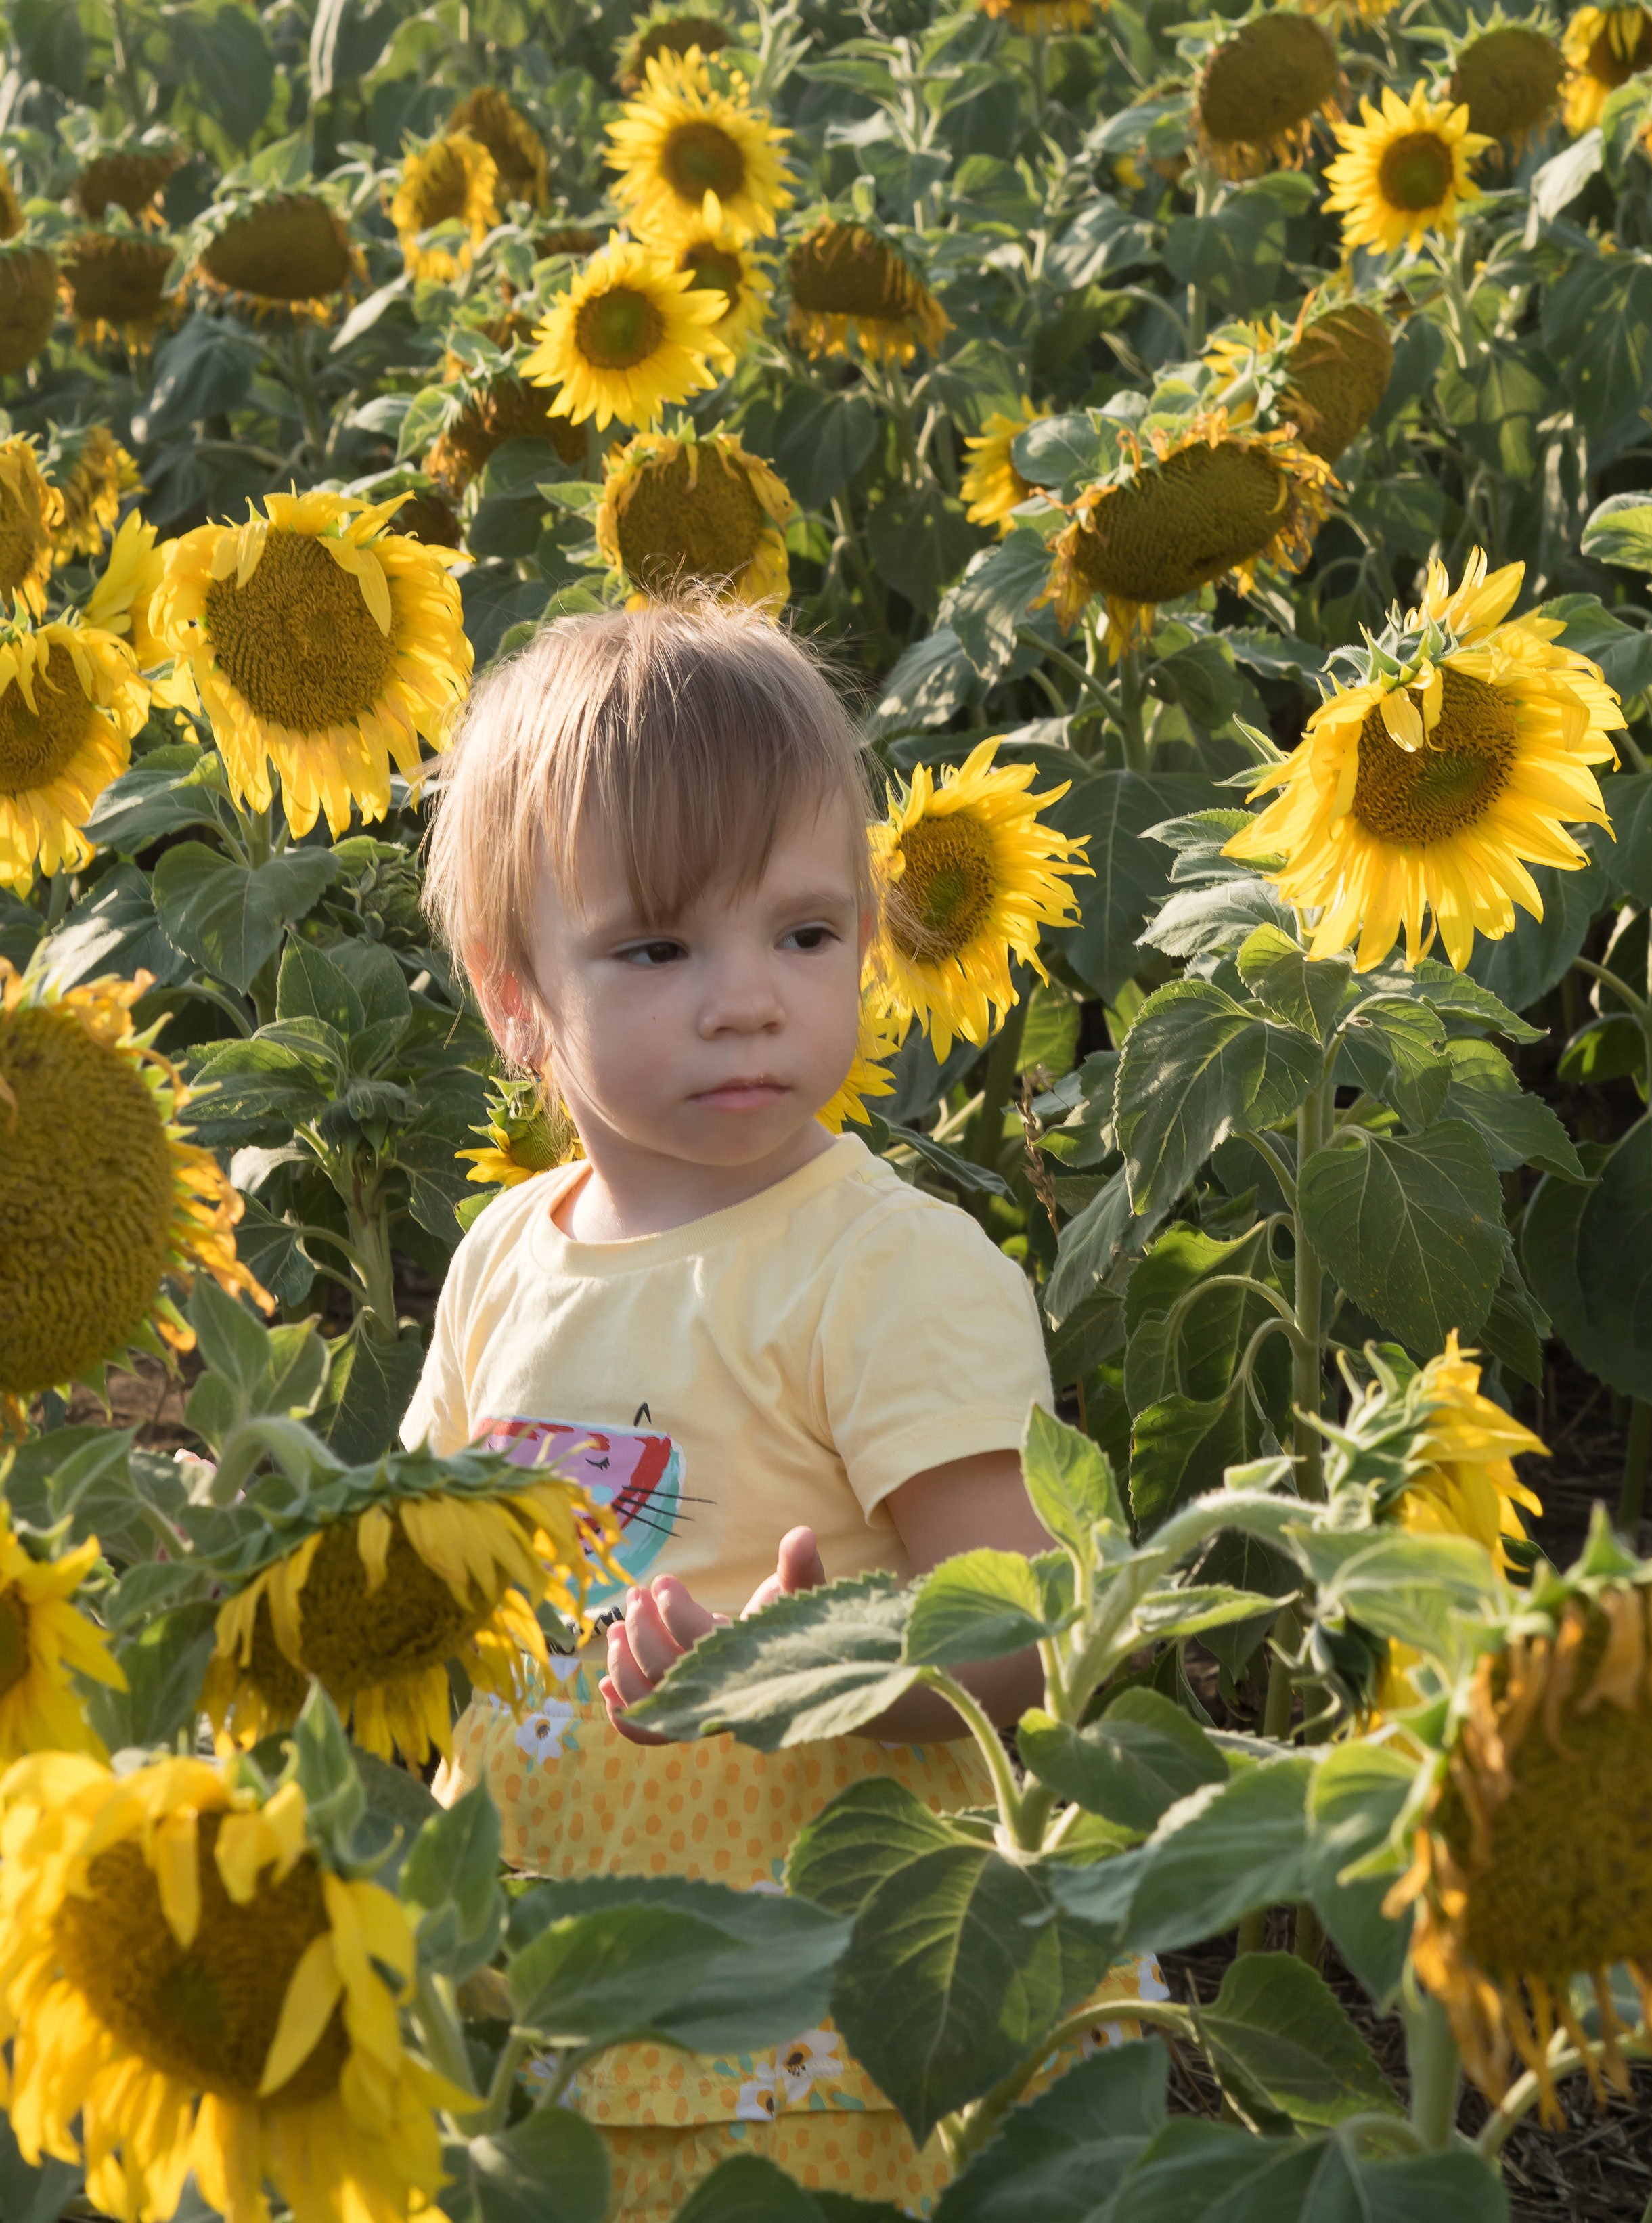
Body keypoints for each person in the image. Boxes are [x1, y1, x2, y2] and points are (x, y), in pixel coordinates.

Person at [406, 596, 1155, 2221]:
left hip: (818, 1997)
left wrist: (826, 1670)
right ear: (513, 993)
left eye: (803, 935)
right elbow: (419, 1555)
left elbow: (1036, 1627)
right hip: (547, 1963)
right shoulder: (498, 1255)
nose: (746, 998)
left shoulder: (888, 1269)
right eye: (659, 947)